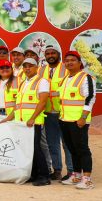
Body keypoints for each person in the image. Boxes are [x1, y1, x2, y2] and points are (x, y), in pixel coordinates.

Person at [0, 58, 51, 186]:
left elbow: (43, 101)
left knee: (36, 148)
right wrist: (9, 118)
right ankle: (33, 174)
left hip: (33, 122)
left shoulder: (42, 81)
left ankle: (44, 175)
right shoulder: (23, 83)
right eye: (25, 66)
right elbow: (18, 104)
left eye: (30, 66)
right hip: (21, 122)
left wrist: (33, 118)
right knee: (27, 149)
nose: (27, 69)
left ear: (36, 67)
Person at [57, 51, 95, 189]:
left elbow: (90, 98)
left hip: (78, 121)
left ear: (79, 63)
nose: (69, 62)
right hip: (64, 119)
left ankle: (87, 179)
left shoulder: (85, 78)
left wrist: (83, 117)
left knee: (82, 149)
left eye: (72, 60)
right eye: (66, 60)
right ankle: (76, 176)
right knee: (72, 148)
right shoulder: (65, 79)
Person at [39, 44, 73, 181]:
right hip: (48, 112)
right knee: (52, 143)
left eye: (53, 53)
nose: (50, 56)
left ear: (58, 54)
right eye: (48, 54)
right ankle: (57, 170)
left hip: (63, 112)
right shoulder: (41, 71)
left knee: (67, 143)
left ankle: (71, 171)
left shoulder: (67, 68)